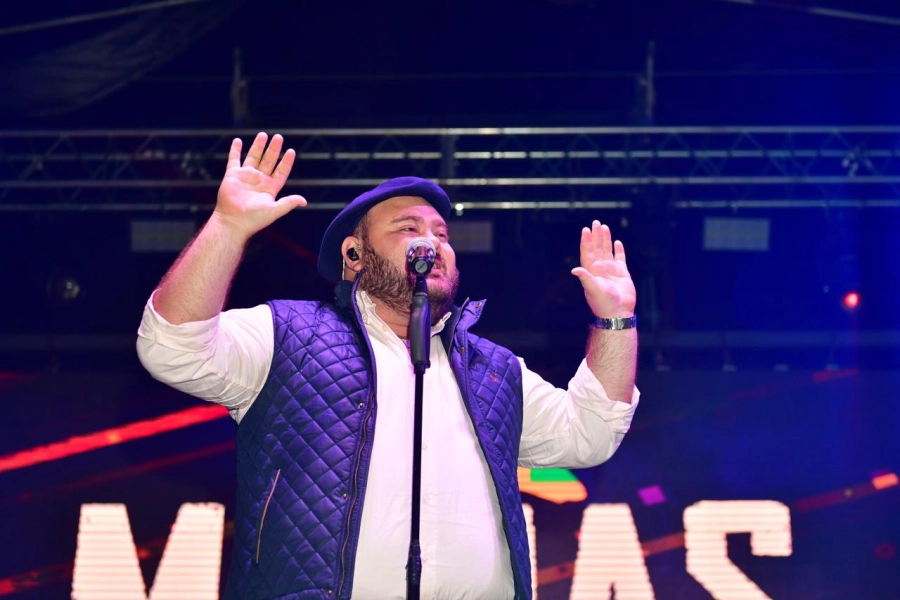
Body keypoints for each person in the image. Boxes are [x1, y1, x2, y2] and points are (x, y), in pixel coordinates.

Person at [136, 132, 640, 600]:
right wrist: (227, 227)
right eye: (408, 228)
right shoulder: (291, 335)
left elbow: (591, 432)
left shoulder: (492, 370)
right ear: (353, 255)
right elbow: (172, 348)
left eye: (441, 233)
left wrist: (616, 319)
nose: (433, 243)